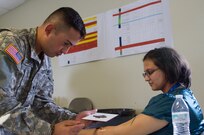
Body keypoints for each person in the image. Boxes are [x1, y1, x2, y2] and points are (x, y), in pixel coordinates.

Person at [0, 7, 96, 135]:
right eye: (65, 43)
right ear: (49, 30)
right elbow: (2, 103)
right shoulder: (10, 44)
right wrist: (49, 130)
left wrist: (73, 118)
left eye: (70, 46)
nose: (66, 51)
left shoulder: (44, 60)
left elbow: (42, 105)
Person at [78, 47, 204, 135]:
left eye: (150, 72)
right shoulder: (186, 94)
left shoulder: (169, 100)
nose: (146, 78)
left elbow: (120, 133)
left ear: (167, 68)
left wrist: (76, 132)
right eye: (145, 74)